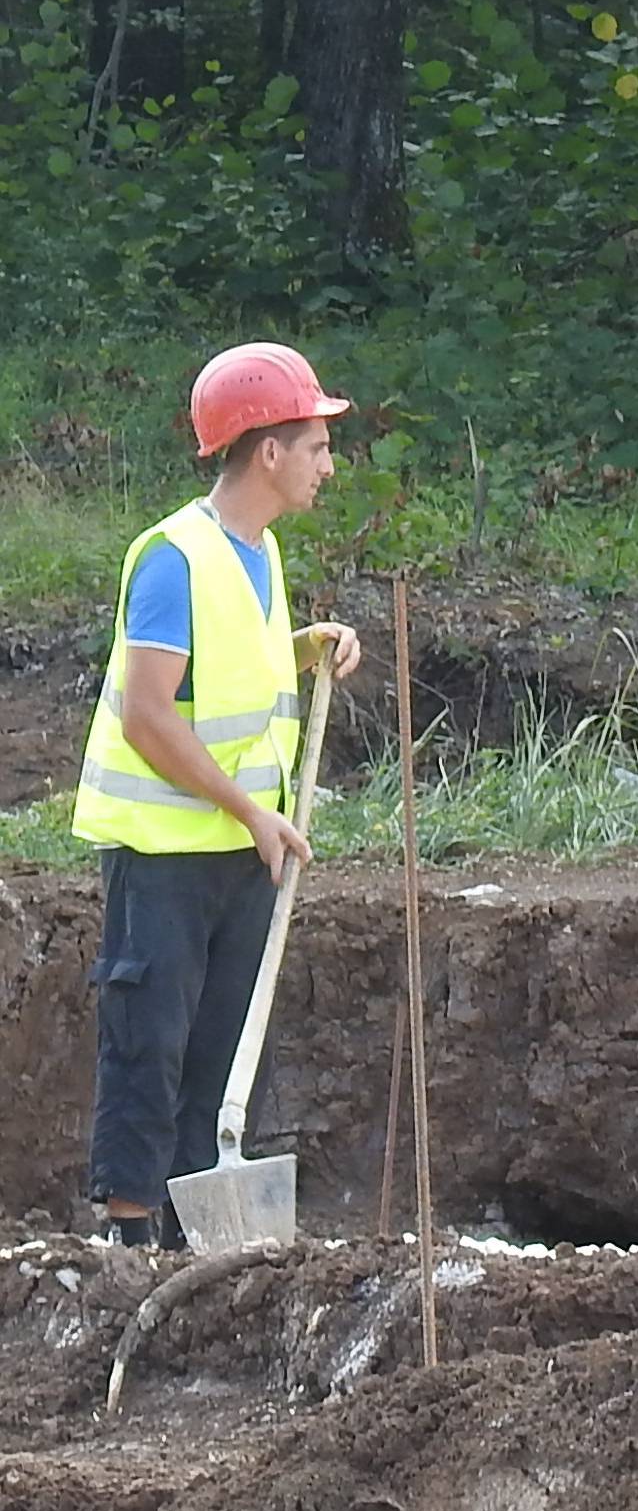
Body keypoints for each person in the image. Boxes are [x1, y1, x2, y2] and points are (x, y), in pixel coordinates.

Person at [74, 342, 363, 1254]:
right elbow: (150, 716)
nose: (328, 463)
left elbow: (229, 677)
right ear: (267, 450)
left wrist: (305, 645)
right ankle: (129, 1236)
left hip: (245, 853)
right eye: (316, 443)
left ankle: (191, 1235)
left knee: (221, 1052)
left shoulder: (260, 553)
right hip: (168, 855)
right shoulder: (173, 559)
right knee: (148, 1045)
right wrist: (247, 812)